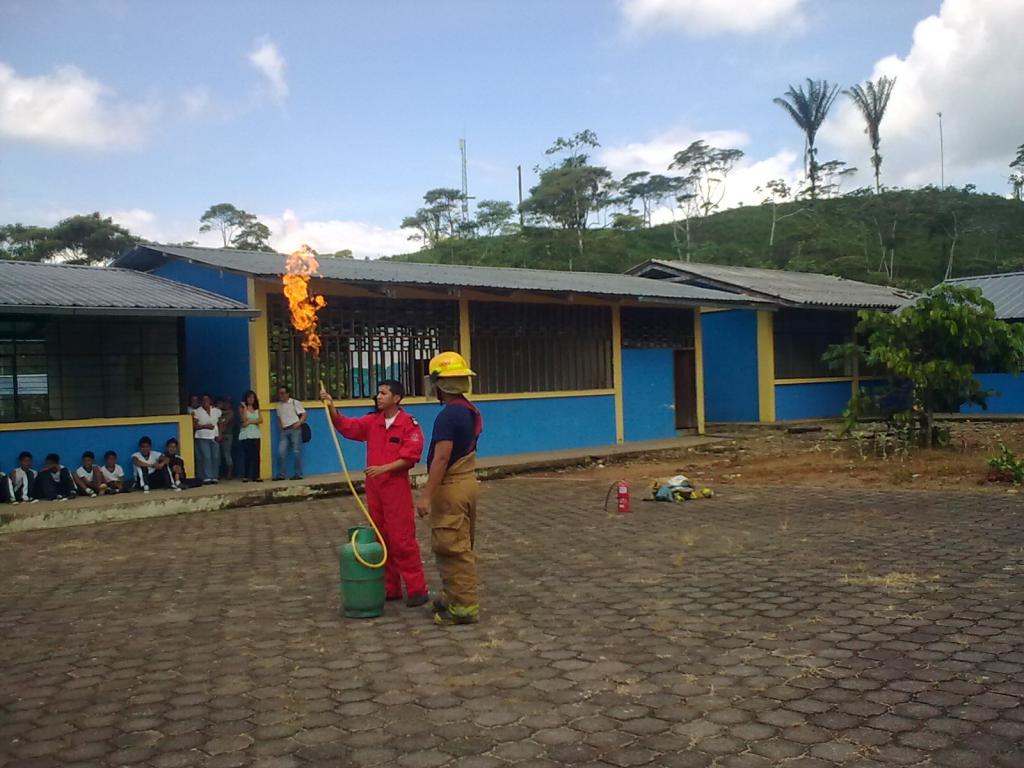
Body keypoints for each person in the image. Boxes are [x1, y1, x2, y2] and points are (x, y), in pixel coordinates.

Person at [321, 379, 428, 607]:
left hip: (395, 488)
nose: (378, 396)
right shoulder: (373, 421)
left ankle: (417, 588)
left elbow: (411, 456)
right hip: (375, 489)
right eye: (378, 393)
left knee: (402, 539)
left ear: (396, 398)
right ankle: (390, 588)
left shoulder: (408, 424)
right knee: (382, 538)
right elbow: (347, 426)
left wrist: (383, 469)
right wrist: (331, 407)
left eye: (383, 393)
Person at [415, 352, 483, 626]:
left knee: (451, 548)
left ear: (439, 385)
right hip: (468, 484)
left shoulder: (447, 417)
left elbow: (442, 458)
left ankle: (463, 609)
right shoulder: (469, 410)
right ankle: (452, 595)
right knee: (460, 542)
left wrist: (426, 496)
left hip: (452, 487)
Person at [275, 385, 306, 480]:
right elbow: (279, 418)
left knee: (296, 451)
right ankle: (281, 474)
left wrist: (299, 423)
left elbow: (304, 414)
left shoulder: (294, 402)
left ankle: (298, 473)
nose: (281, 395)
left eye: (283, 393)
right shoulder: (279, 406)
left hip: (294, 428)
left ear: (288, 394)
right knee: (281, 452)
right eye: (280, 393)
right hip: (284, 430)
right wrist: (280, 426)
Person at [192, 394, 222, 485]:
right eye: (204, 400)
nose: (206, 401)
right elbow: (194, 426)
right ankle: (207, 477)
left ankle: (214, 476)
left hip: (214, 436)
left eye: (207, 399)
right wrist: (205, 426)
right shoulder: (197, 412)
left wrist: (220, 434)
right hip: (202, 437)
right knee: (206, 457)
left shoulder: (216, 411)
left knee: (216, 457)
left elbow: (219, 423)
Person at [238, 389, 263, 482]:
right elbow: (243, 421)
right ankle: (246, 475)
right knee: (248, 455)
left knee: (256, 455)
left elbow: (260, 420)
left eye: (252, 397)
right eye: (249, 398)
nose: (251, 399)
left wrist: (250, 421)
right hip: (246, 435)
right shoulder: (242, 409)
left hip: (256, 434)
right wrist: (245, 408)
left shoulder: (257, 409)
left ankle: (256, 475)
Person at [218, 396, 236, 480]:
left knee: (227, 454)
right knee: (218, 455)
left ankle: (230, 473)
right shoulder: (218, 412)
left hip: (227, 435)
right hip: (218, 435)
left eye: (228, 403)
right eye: (224, 402)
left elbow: (223, 423)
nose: (226, 404)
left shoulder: (231, 413)